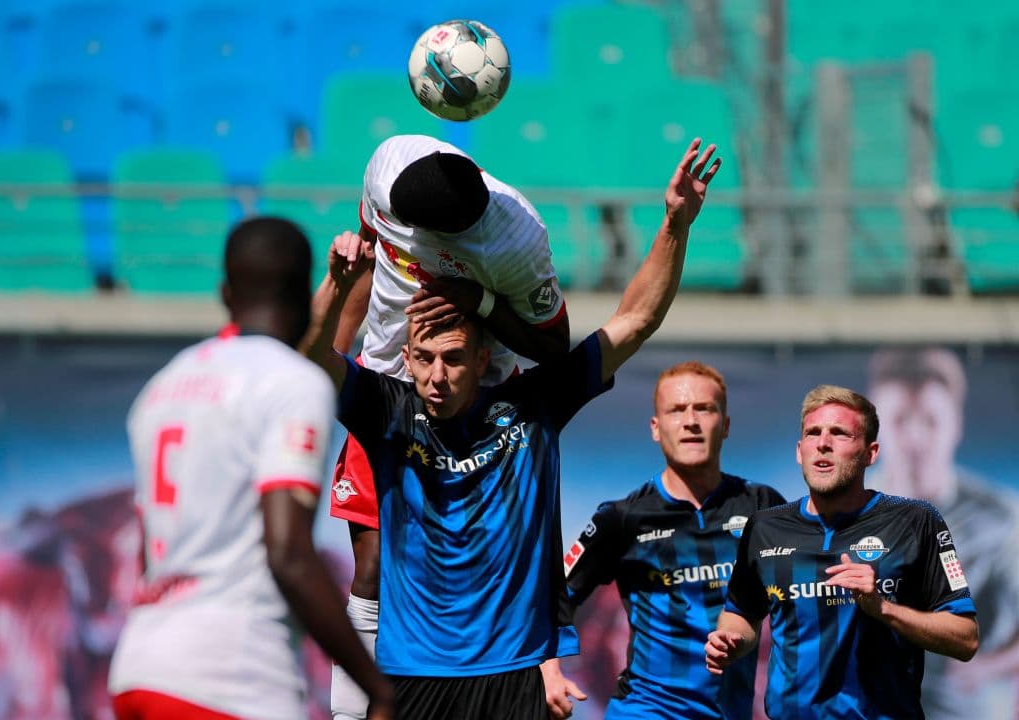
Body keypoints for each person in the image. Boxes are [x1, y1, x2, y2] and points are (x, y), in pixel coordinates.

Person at [304, 138, 722, 719]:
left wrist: (676, 223)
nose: (437, 376)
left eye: (452, 358)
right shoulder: (388, 411)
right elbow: (311, 361)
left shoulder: (532, 406)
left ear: (484, 360)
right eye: (423, 359)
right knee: (367, 572)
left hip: (515, 678)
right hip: (413, 678)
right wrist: (338, 280)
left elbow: (635, 321)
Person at [107, 217, 395, 720]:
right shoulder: (290, 384)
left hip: (140, 667)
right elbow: (288, 552)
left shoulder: (163, 388)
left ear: (224, 291)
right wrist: (377, 687)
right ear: (301, 290)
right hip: (231, 676)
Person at [325, 134, 571, 719]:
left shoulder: (516, 237)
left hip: (480, 404)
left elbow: (555, 345)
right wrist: (336, 362)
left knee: (462, 569)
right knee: (372, 564)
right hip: (386, 386)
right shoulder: (386, 163)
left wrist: (480, 303)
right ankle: (347, 713)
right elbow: (365, 262)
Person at [705, 384, 980, 719]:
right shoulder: (764, 527)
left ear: (871, 452)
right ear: (799, 451)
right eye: (813, 433)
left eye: (840, 433)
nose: (823, 443)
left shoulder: (917, 520)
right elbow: (742, 614)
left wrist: (883, 608)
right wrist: (731, 639)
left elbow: (965, 639)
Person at [540, 361, 786, 719]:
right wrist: (548, 671)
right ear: (656, 428)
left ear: (726, 425)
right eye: (677, 410)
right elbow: (554, 596)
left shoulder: (763, 506)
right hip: (646, 710)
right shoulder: (621, 518)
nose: (691, 421)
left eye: (704, 408)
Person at [868, 347, 1019, 719]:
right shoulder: (839, 513)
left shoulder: (1001, 518)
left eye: (931, 421)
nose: (916, 438)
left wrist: (985, 667)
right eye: (900, 420)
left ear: (956, 424)